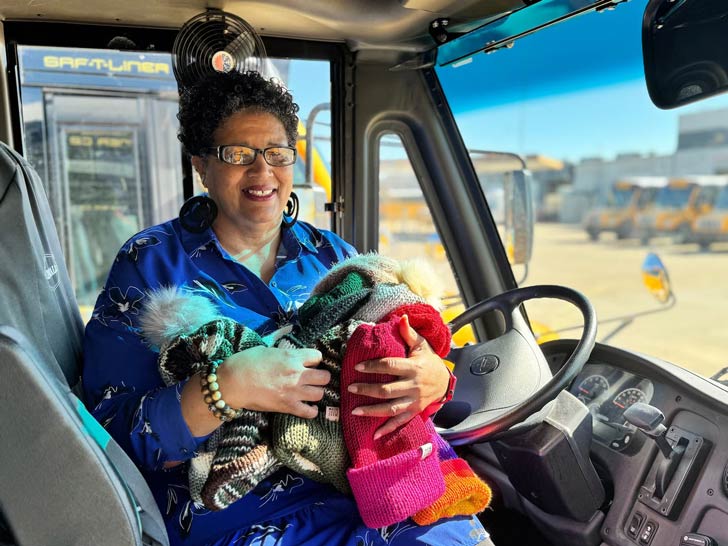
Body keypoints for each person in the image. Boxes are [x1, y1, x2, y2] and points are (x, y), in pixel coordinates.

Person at [83, 70, 494, 546]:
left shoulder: (334, 255)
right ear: (201, 165)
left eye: (277, 155)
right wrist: (228, 388)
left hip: (381, 486)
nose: (262, 173)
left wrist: (434, 380)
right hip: (241, 514)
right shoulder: (149, 263)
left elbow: (406, 340)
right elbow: (109, 442)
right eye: (238, 155)